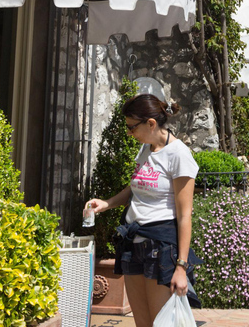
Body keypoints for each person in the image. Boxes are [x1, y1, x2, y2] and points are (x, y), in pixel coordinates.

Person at [86, 94, 198, 327]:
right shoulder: (146, 149)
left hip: (160, 248)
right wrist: (107, 203)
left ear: (151, 123)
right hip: (132, 244)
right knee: (142, 324)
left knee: (161, 323)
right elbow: (135, 187)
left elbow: (185, 215)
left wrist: (181, 266)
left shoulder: (179, 155)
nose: (129, 132)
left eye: (131, 127)